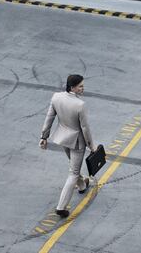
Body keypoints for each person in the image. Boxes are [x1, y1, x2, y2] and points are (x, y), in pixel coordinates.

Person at [39, 74, 95, 218]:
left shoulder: (56, 97)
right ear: (72, 88)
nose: (83, 88)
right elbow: (85, 128)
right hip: (77, 142)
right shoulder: (80, 105)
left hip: (63, 138)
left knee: (73, 167)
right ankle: (61, 207)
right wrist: (91, 145)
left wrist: (44, 137)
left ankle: (82, 185)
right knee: (73, 173)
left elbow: (49, 118)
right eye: (80, 86)